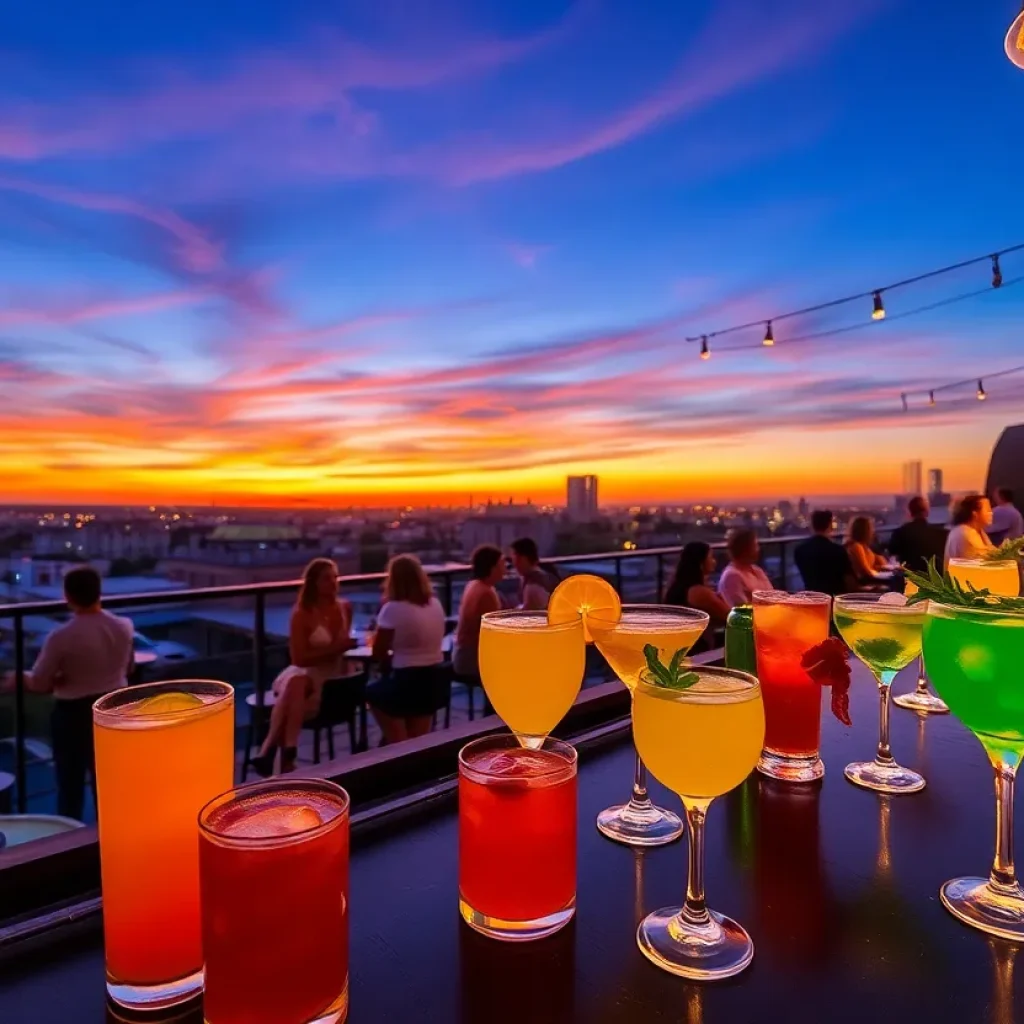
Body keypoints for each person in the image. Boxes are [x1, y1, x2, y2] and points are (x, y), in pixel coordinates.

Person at [1, 567, 133, 821]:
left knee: (70, 786)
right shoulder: (123, 626)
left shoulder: (61, 637)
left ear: (68, 596)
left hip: (73, 716)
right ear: (98, 592)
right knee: (107, 784)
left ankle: (68, 846)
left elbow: (39, 683)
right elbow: (127, 667)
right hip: (114, 710)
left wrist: (21, 678)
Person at [250, 558, 353, 777]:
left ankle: (268, 750)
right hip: (305, 671)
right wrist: (336, 648)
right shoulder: (302, 614)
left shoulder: (345, 607)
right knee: (297, 681)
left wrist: (338, 649)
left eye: (335, 577)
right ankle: (289, 752)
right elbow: (298, 659)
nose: (333, 582)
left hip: (332, 674)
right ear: (313, 583)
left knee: (291, 693)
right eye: (326, 578)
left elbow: (342, 649)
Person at [366, 554, 447, 744]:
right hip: (435, 680)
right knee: (419, 739)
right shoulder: (435, 603)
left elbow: (378, 652)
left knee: (372, 692)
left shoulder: (392, 608)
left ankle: (397, 741)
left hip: (406, 681)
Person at [664, 542, 731, 645]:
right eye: (711, 557)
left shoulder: (678, 585)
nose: (714, 562)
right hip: (695, 650)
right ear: (701, 563)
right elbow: (730, 616)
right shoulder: (699, 592)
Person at [452, 545, 504, 678]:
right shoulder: (486, 593)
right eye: (502, 564)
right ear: (492, 568)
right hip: (472, 659)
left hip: (462, 654)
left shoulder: (474, 585)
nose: (505, 568)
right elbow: (494, 635)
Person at [794, 510, 858, 596]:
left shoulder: (799, 550)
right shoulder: (838, 550)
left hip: (812, 598)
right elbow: (850, 581)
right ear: (830, 525)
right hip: (835, 598)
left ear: (812, 526)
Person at [888, 496, 947, 575]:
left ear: (909, 512)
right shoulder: (941, 534)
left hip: (910, 579)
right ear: (927, 512)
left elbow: (893, 554)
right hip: (934, 580)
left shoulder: (899, 533)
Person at [717, 528, 774, 607]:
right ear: (744, 549)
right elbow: (743, 612)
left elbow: (773, 597)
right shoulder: (732, 576)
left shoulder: (757, 570)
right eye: (755, 545)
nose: (758, 549)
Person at [945, 494, 995, 565]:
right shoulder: (964, 533)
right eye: (988, 510)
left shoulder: (978, 531)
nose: (991, 513)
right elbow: (982, 561)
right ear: (975, 513)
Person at [510, 537, 558, 610]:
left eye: (515, 558)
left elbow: (527, 613)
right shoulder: (535, 577)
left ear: (522, 559)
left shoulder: (533, 586)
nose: (514, 563)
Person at [845, 516, 888, 584]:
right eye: (870, 528)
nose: (872, 531)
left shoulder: (864, 547)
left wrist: (878, 566)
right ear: (865, 530)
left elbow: (878, 563)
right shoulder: (856, 546)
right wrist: (877, 572)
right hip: (863, 582)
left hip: (867, 579)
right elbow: (865, 570)